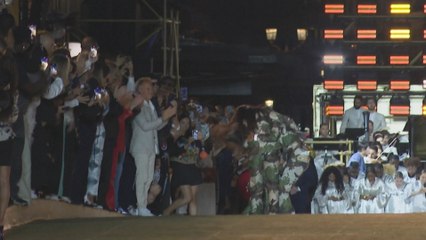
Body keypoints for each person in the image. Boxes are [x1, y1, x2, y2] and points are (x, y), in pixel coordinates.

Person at [129, 78, 176, 216]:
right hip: (140, 146)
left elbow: (155, 126)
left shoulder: (150, 105)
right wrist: (163, 118)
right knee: (142, 176)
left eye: (151, 89)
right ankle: (140, 206)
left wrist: (166, 118)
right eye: (148, 89)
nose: (151, 91)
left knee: (149, 178)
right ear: (140, 90)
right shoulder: (138, 105)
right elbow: (145, 126)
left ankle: (142, 206)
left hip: (150, 147)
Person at [163, 115, 203, 216]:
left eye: (187, 123)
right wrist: (186, 145)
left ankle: (193, 221)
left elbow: (201, 145)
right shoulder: (174, 134)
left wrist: (203, 157)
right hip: (180, 167)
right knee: (187, 197)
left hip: (193, 166)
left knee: (193, 198)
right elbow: (171, 151)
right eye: (183, 122)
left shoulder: (193, 133)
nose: (185, 125)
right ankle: (167, 211)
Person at [0, 37, 18, 240]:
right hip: (5, 134)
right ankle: (0, 225)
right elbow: (13, 115)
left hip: (5, 134)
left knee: (4, 181)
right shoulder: (11, 82)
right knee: (4, 181)